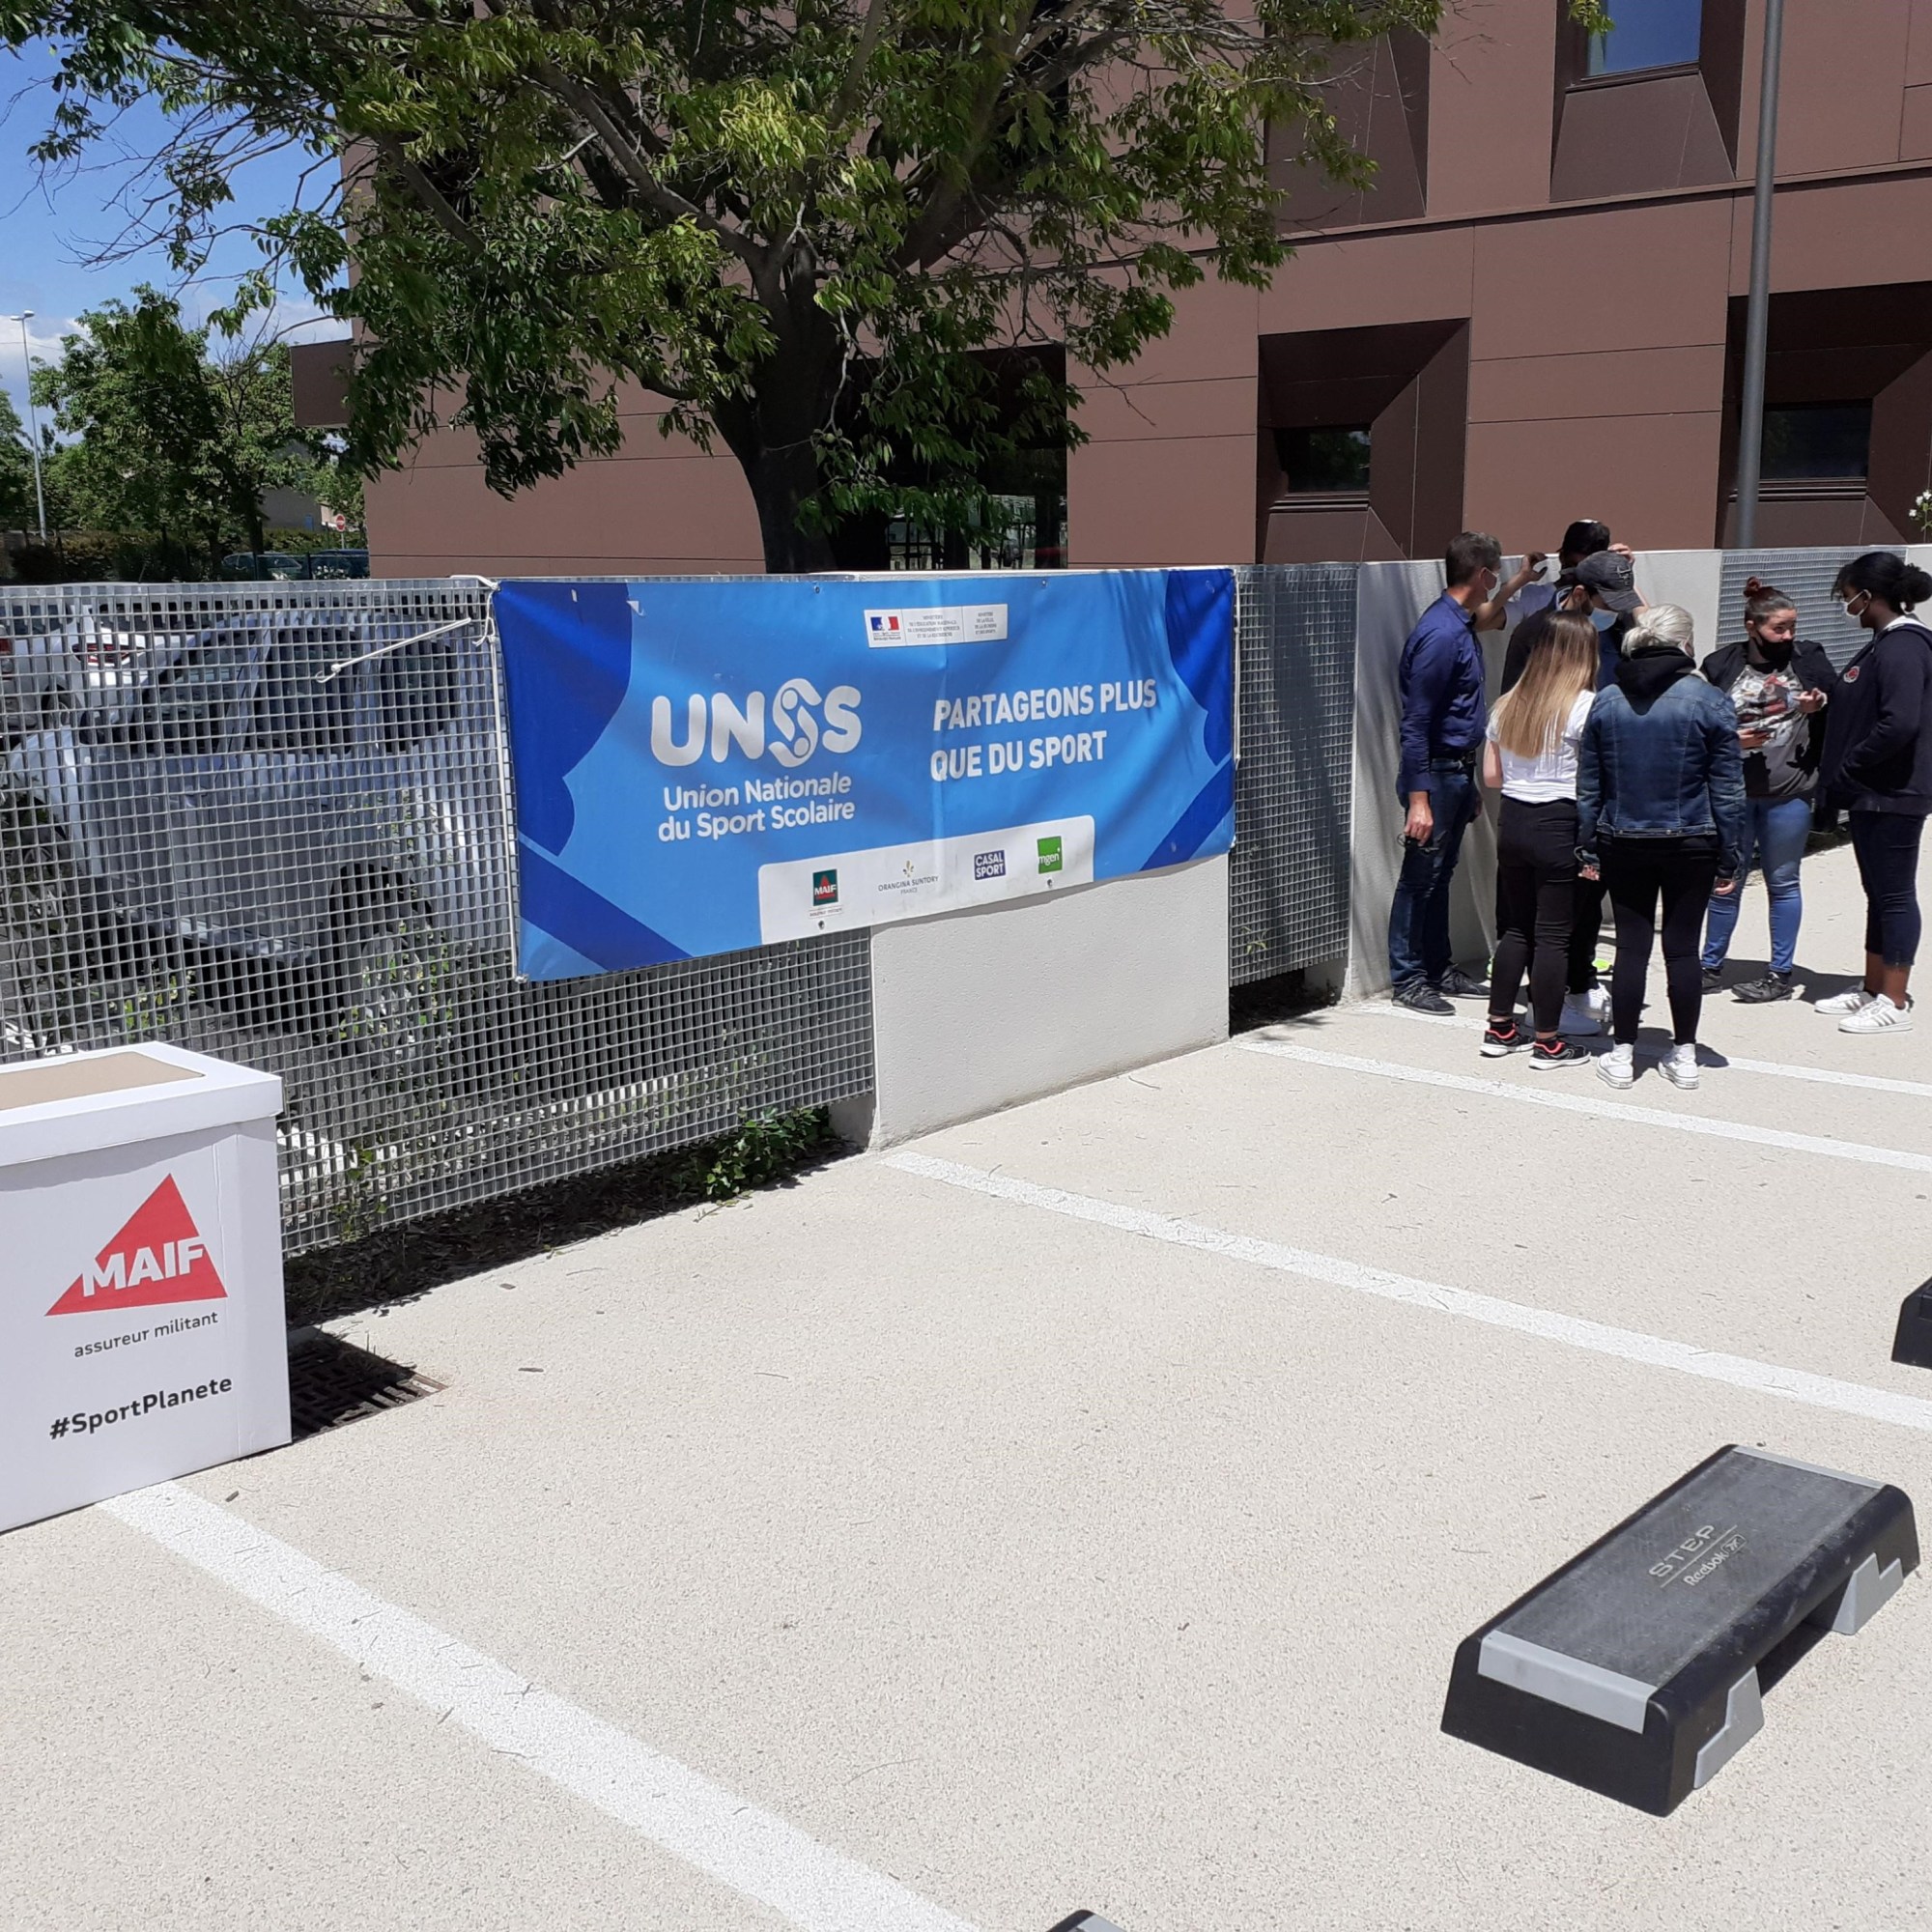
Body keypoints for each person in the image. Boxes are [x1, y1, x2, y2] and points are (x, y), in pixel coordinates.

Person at [1577, 604, 1745, 1092]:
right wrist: (1731, 853)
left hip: (1622, 838)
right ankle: (1685, 1054)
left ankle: (1622, 1054)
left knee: (1631, 948)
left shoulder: (1607, 700)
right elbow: (1728, 790)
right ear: (1685, 642)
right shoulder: (1709, 700)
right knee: (1683, 948)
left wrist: (1587, 846)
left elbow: (1590, 786)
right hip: (1693, 839)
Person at [1388, 531, 1540, 1013]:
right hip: (1434, 775)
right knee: (1419, 879)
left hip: (1455, 772)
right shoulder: (1440, 635)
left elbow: (1487, 615)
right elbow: (1416, 723)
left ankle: (1437, 968)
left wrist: (1518, 581)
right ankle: (1409, 979)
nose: (1495, 582)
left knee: (1439, 876)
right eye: (1495, 574)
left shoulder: (1459, 623)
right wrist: (1419, 799)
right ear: (1481, 574)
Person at [1697, 580, 1836, 1003]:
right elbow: (1697, 722)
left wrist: (1819, 705)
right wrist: (1731, 741)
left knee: (1783, 881)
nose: (1788, 636)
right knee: (1726, 881)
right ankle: (1709, 967)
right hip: (1732, 794)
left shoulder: (1809, 658)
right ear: (1751, 627)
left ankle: (1779, 973)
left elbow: (1838, 702)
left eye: (1792, 627)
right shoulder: (1720, 664)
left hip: (1789, 792)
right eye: (1779, 628)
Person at [1814, 552, 1932, 1035]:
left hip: (1894, 791)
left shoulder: (1904, 646)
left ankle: (1894, 1001)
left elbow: (1899, 722)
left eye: (1848, 597)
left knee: (1895, 894)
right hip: (1869, 792)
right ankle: (1872, 987)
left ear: (1869, 595)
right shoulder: (1882, 644)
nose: (1848, 607)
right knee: (1877, 893)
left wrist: (1851, 763)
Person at [1480, 611, 1599, 1067]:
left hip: (1513, 819)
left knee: (1516, 929)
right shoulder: (1585, 706)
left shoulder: (1507, 703)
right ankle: (1548, 1041)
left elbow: (1492, 776)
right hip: (1560, 821)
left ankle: (1499, 1028)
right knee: (1553, 936)